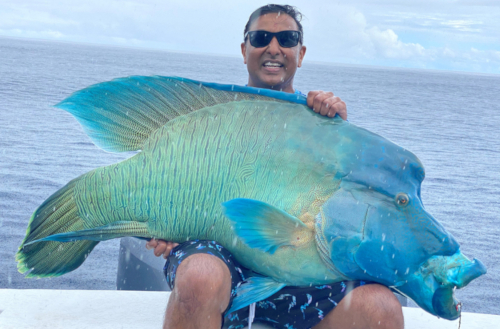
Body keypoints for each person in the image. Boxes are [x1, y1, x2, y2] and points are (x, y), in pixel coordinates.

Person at [146, 4, 404, 329]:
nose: (273, 48)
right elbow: (177, 181)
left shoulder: (322, 122)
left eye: (286, 38)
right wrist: (162, 228)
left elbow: (349, 202)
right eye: (261, 37)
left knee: (381, 308)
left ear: (301, 51)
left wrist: (342, 134)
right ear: (244, 49)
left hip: (297, 261)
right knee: (199, 275)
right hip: (222, 255)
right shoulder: (214, 119)